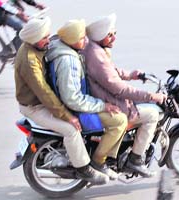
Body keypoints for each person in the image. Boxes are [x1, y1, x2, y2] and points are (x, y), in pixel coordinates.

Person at [14, 16, 109, 185]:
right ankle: (84, 169)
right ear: (34, 39)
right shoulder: (29, 62)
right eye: (44, 38)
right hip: (35, 107)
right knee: (71, 130)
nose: (48, 40)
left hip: (38, 102)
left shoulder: (33, 46)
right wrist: (68, 117)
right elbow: (44, 93)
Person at [82, 13, 167, 177]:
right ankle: (135, 160)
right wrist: (150, 96)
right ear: (101, 36)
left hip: (102, 95)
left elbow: (110, 72)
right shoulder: (97, 55)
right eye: (110, 35)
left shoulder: (94, 49)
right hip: (109, 100)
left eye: (115, 33)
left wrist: (130, 75)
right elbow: (119, 89)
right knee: (151, 114)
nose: (114, 38)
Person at [45, 19, 128, 180]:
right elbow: (73, 99)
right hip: (75, 109)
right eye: (82, 38)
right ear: (72, 40)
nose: (86, 40)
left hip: (73, 102)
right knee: (119, 121)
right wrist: (103, 105)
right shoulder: (68, 61)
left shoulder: (65, 49)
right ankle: (99, 162)